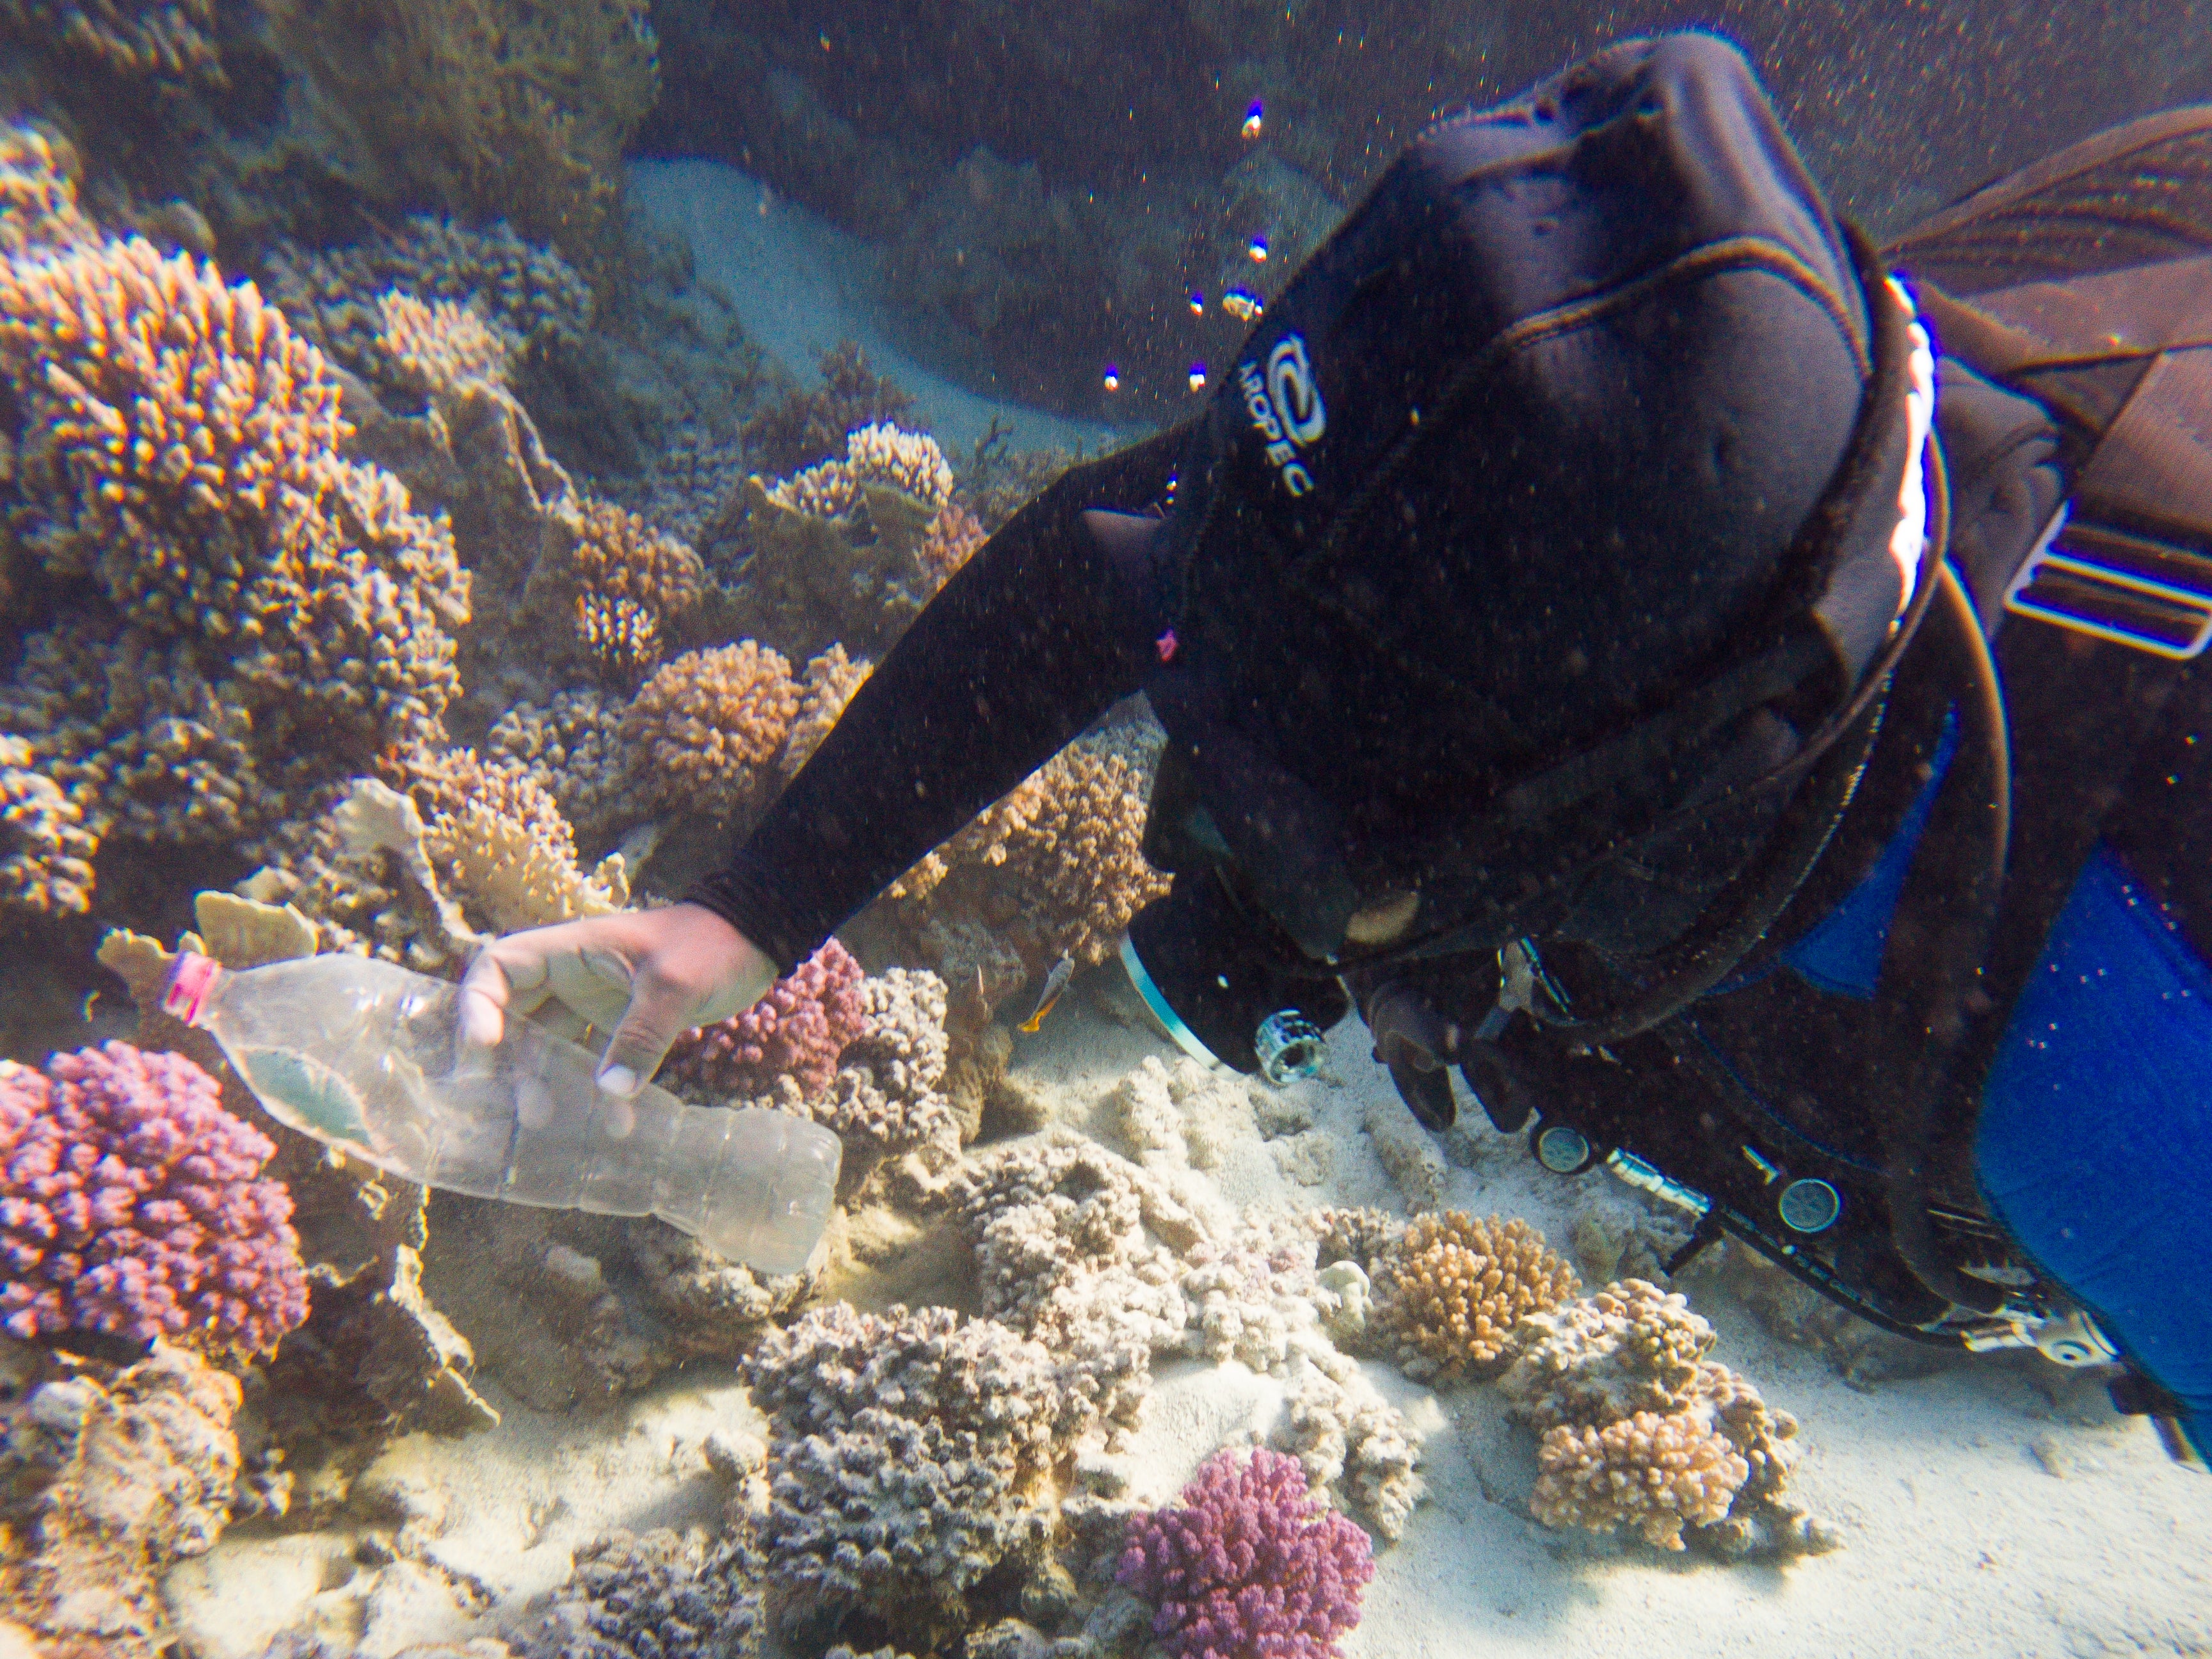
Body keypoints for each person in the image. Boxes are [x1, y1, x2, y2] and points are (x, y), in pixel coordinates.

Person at [461, 35, 2212, 1468]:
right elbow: (1111, 560)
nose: (1194, 852)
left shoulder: (2123, 1100)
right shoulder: (1598, 484)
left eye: (1288, 841)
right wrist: (758, 904)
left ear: (1602, 826)